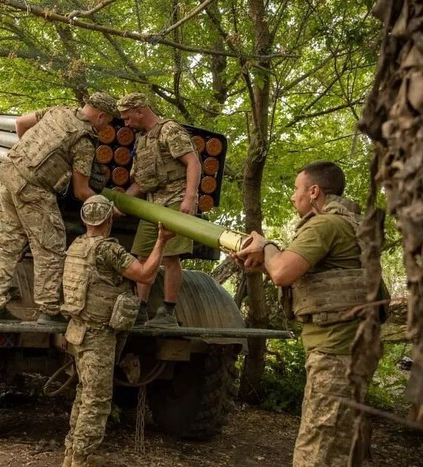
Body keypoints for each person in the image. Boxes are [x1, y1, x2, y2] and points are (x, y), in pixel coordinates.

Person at [231, 161, 382, 466]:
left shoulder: (325, 225)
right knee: (342, 448)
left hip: (335, 353)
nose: (292, 197)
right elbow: (310, 274)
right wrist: (264, 262)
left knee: (316, 450)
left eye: (296, 190)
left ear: (314, 192)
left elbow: (284, 270)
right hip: (352, 349)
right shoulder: (354, 224)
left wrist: (267, 245)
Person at [0, 93, 119, 325]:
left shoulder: (59, 111)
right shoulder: (84, 140)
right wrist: (108, 207)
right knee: (51, 247)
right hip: (34, 190)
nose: (105, 127)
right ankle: (48, 310)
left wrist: (29, 157)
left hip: (10, 176)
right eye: (107, 122)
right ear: (100, 115)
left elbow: (20, 123)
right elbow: (81, 191)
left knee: (8, 243)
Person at [61, 195, 174, 467]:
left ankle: (72, 454)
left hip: (78, 328)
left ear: (86, 219)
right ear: (108, 219)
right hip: (98, 333)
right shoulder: (107, 250)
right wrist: (161, 241)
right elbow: (146, 274)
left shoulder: (77, 245)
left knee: (84, 394)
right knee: (97, 400)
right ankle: (82, 459)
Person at [116, 93, 201, 327]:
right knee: (143, 255)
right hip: (152, 206)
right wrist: (120, 204)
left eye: (127, 117)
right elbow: (142, 182)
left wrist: (190, 197)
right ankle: (141, 309)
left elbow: (193, 162)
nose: (126, 123)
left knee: (171, 257)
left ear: (140, 111)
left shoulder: (169, 130)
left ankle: (167, 312)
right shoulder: (142, 139)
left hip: (175, 201)